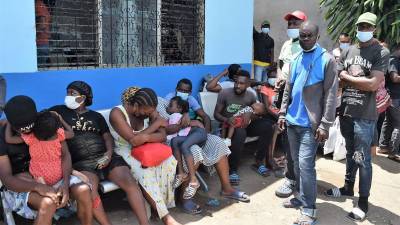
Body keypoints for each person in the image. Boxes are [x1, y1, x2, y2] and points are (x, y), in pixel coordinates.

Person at [50, 81, 151, 225]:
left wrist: (109, 154)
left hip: (105, 155)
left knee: (130, 182)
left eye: (72, 93)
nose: (68, 96)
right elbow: (38, 118)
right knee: (90, 190)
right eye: (67, 92)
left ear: (83, 97)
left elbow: (107, 137)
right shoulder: (58, 111)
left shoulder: (96, 116)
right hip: (82, 163)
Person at [325, 12, 390, 221]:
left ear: (374, 29)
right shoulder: (350, 49)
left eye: (367, 27)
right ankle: (347, 187)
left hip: (365, 115)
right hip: (346, 112)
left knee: (363, 159)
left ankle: (363, 202)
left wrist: (346, 76)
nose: (363, 30)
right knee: (351, 152)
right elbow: (339, 79)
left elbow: (373, 84)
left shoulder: (380, 52)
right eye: (360, 26)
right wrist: (350, 78)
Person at [278, 22, 338, 225]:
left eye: (308, 36)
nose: (304, 40)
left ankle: (310, 209)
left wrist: (325, 124)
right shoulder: (295, 58)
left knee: (306, 165)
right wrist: (282, 113)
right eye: (302, 36)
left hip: (310, 125)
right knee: (295, 163)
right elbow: (288, 88)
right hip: (292, 122)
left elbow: (331, 94)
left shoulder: (327, 60)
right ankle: (301, 199)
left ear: (317, 36)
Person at [0, 95, 93, 225]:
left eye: (30, 126)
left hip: (55, 175)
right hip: (21, 183)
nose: (27, 132)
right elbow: (7, 179)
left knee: (83, 190)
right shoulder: (2, 135)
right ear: (11, 124)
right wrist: (37, 186)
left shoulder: (46, 123)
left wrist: (65, 184)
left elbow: (64, 155)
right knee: (47, 203)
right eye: (21, 129)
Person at [109, 87, 181, 225]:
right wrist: (155, 125)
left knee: (169, 161)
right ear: (136, 105)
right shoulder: (117, 113)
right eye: (146, 112)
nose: (148, 115)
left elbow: (162, 136)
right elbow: (134, 142)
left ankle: (158, 208)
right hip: (125, 152)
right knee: (145, 170)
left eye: (151, 112)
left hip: (147, 148)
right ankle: (166, 217)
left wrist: (145, 136)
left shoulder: (149, 109)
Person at [214, 69, 274, 182]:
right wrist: (227, 119)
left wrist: (249, 115)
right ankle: (233, 169)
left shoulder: (251, 95)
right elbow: (216, 114)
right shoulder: (224, 93)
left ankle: (259, 161)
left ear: (247, 85)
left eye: (241, 84)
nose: (238, 85)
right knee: (240, 132)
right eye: (237, 82)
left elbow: (258, 112)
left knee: (267, 126)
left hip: (245, 124)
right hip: (228, 126)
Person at [4, 111, 89, 189]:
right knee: (64, 163)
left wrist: (9, 122)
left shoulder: (31, 137)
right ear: (56, 128)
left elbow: (9, 139)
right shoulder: (59, 134)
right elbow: (71, 133)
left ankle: (42, 184)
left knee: (28, 176)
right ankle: (72, 172)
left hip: (40, 172)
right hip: (58, 172)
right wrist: (61, 120)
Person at [275, 10, 307, 199]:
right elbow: (280, 64)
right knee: (287, 137)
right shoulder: (287, 45)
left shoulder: (308, 47)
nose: (292, 27)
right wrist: (279, 77)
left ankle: (301, 179)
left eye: (296, 23)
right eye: (290, 24)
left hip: (299, 98)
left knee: (301, 140)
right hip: (284, 95)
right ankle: (291, 177)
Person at [167, 96, 208, 199]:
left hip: (199, 133)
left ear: (179, 108)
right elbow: (175, 136)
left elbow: (172, 131)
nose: (168, 107)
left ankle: (194, 181)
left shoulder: (175, 116)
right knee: (175, 141)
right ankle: (181, 174)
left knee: (184, 145)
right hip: (193, 135)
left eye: (170, 106)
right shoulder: (179, 115)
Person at [378, 43, 400, 160]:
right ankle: (393, 151)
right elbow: (395, 77)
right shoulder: (393, 60)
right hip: (394, 97)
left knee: (389, 121)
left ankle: (383, 146)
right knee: (398, 124)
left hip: (392, 97)